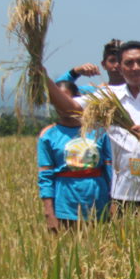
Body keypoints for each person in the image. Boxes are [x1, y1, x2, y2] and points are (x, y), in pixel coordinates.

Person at [44, 40, 140, 208]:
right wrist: (44, 78)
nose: (136, 67)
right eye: (129, 63)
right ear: (119, 68)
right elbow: (72, 109)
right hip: (125, 192)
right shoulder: (109, 96)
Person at [37, 81, 112, 231]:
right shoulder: (48, 135)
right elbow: (45, 176)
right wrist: (49, 213)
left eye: (67, 100)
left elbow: (110, 170)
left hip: (98, 200)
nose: (63, 105)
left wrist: (114, 203)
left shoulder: (99, 131)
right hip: (65, 203)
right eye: (58, 101)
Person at [55, 38, 124, 94]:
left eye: (120, 61)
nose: (117, 65)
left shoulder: (134, 91)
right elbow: (57, 90)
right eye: (112, 60)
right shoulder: (95, 92)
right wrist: (75, 72)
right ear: (103, 65)